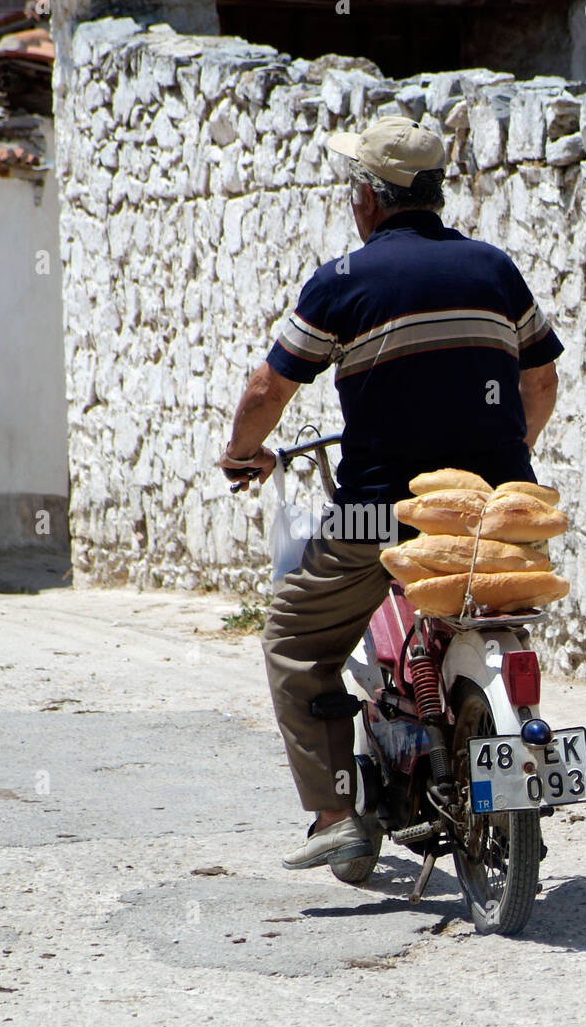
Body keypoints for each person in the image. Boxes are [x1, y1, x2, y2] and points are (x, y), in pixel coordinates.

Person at [218, 116, 562, 870]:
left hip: (382, 513)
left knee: (294, 642)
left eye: (353, 189)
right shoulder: (495, 269)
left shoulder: (345, 281)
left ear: (370, 199)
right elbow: (540, 380)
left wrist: (244, 454)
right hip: (500, 509)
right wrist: (500, 470)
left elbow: (268, 386)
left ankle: (337, 812)